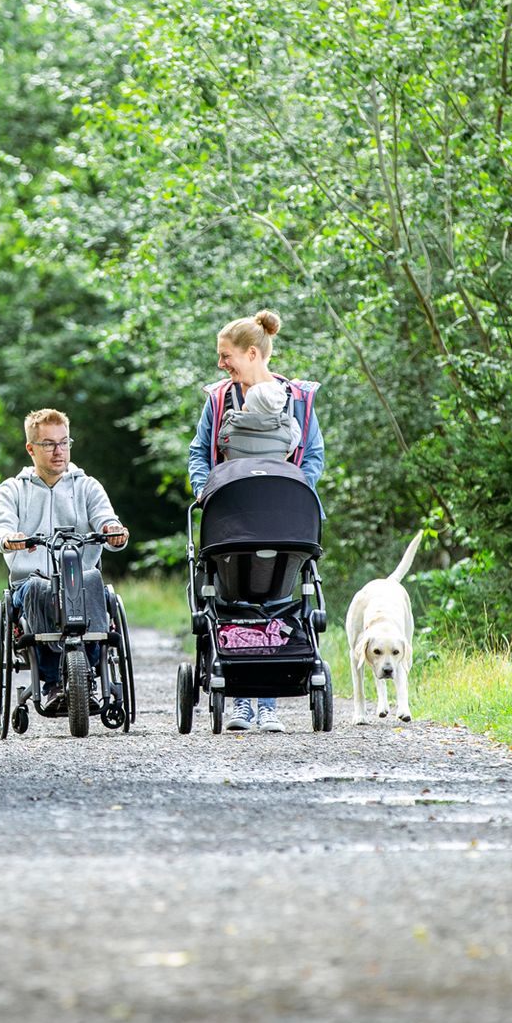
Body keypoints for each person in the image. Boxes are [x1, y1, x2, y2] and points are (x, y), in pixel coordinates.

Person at [186, 309, 326, 733]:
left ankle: (265, 703)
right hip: (231, 518)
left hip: (285, 519)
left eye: (225, 355)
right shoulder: (218, 400)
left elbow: (313, 456)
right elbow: (199, 453)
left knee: (278, 601)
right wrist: (202, 488)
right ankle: (242, 702)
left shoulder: (298, 400)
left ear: (251, 353)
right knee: (233, 602)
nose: (221, 364)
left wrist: (289, 488)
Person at [0, 408, 130, 707]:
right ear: (31, 449)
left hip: (79, 579)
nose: (58, 451)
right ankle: (53, 681)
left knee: (92, 580)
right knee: (39, 589)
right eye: (49, 444)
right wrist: (9, 538)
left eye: (64, 443)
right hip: (31, 582)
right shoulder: (12, 489)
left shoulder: (87, 486)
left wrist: (113, 531)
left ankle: (88, 674)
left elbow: (106, 520)